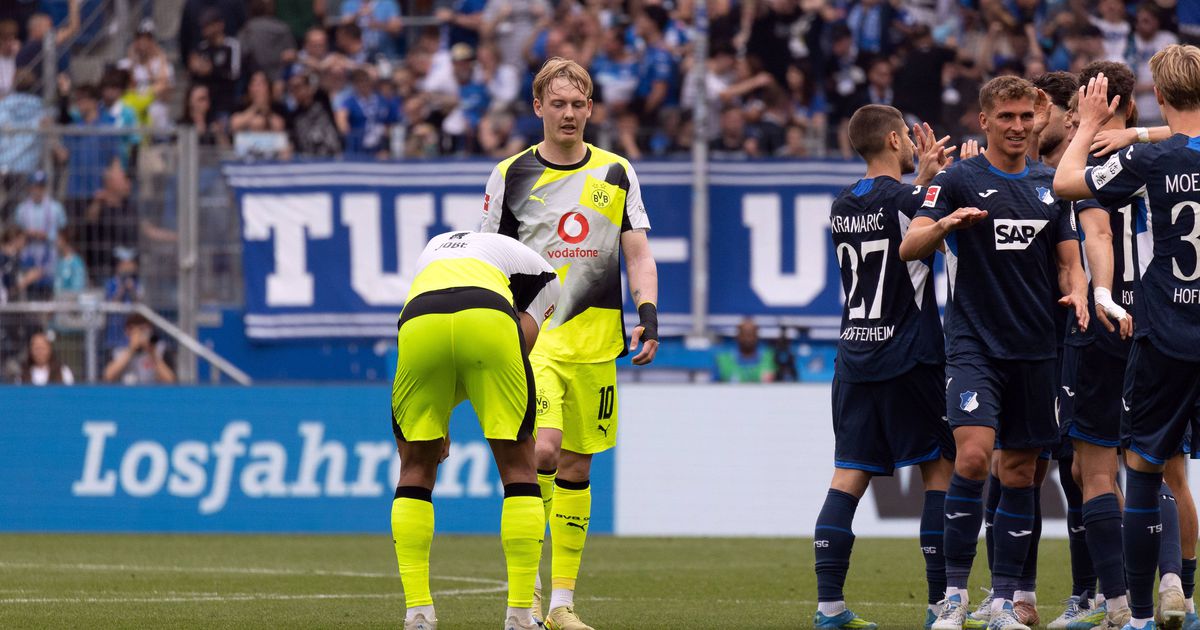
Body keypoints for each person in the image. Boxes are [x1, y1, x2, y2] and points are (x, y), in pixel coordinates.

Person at [900, 75, 1089, 630]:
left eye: (1025, 117)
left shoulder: (1050, 184)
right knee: (975, 457)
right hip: (973, 343)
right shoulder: (958, 179)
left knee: (1020, 472)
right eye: (1005, 117)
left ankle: (1006, 601)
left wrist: (1077, 290)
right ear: (983, 122)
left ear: (1036, 119)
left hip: (1035, 348)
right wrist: (947, 226)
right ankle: (954, 597)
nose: (1017, 126)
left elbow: (1069, 261)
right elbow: (911, 244)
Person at [478, 57, 659, 630]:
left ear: (591, 109)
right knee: (545, 451)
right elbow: (484, 258)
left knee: (578, 467)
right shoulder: (510, 175)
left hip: (597, 344)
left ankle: (560, 604)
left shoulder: (616, 172)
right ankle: (526, 592)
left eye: (579, 104)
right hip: (533, 341)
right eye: (558, 103)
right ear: (538, 108)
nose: (570, 114)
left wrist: (648, 314)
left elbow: (638, 253)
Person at [1054, 44, 1200, 630]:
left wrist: (1091, 124)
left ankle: (1139, 615)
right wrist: (1142, 133)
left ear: (1159, 96)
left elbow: (1067, 183)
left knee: (1140, 469)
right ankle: (1179, 591)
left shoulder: (1153, 162)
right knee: (1175, 476)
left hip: (1164, 332)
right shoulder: (1154, 147)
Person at [814, 105, 956, 630]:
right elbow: (917, 220)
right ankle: (942, 604)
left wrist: (920, 179)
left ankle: (829, 608)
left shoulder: (841, 204)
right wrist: (932, 180)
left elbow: (892, 209)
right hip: (910, 353)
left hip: (853, 352)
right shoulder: (913, 199)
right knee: (938, 471)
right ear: (897, 138)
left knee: (848, 474)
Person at [389, 230, 560, 630]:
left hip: (418, 319)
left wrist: (441, 420)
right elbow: (518, 347)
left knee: (413, 468)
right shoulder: (547, 274)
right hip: (488, 318)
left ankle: (418, 615)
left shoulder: (435, 245)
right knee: (519, 469)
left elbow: (442, 332)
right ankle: (520, 616)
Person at [188, 8, 242, 119]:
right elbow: (195, 77)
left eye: (209, 25)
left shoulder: (232, 46)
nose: (205, 30)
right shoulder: (202, 48)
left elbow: (235, 74)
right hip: (205, 105)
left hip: (225, 104)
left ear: (220, 25)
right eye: (204, 26)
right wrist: (193, 69)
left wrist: (212, 70)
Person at [102, 312, 175, 384]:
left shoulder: (160, 350)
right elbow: (108, 377)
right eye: (139, 331)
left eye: (144, 331)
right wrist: (131, 349)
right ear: (128, 331)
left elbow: (170, 380)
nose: (142, 335)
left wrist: (152, 353)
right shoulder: (118, 351)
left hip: (152, 393)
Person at [712, 317, 775, 383]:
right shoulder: (723, 360)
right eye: (744, 334)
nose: (747, 339)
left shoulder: (769, 358)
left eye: (751, 334)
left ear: (757, 336)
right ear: (738, 336)